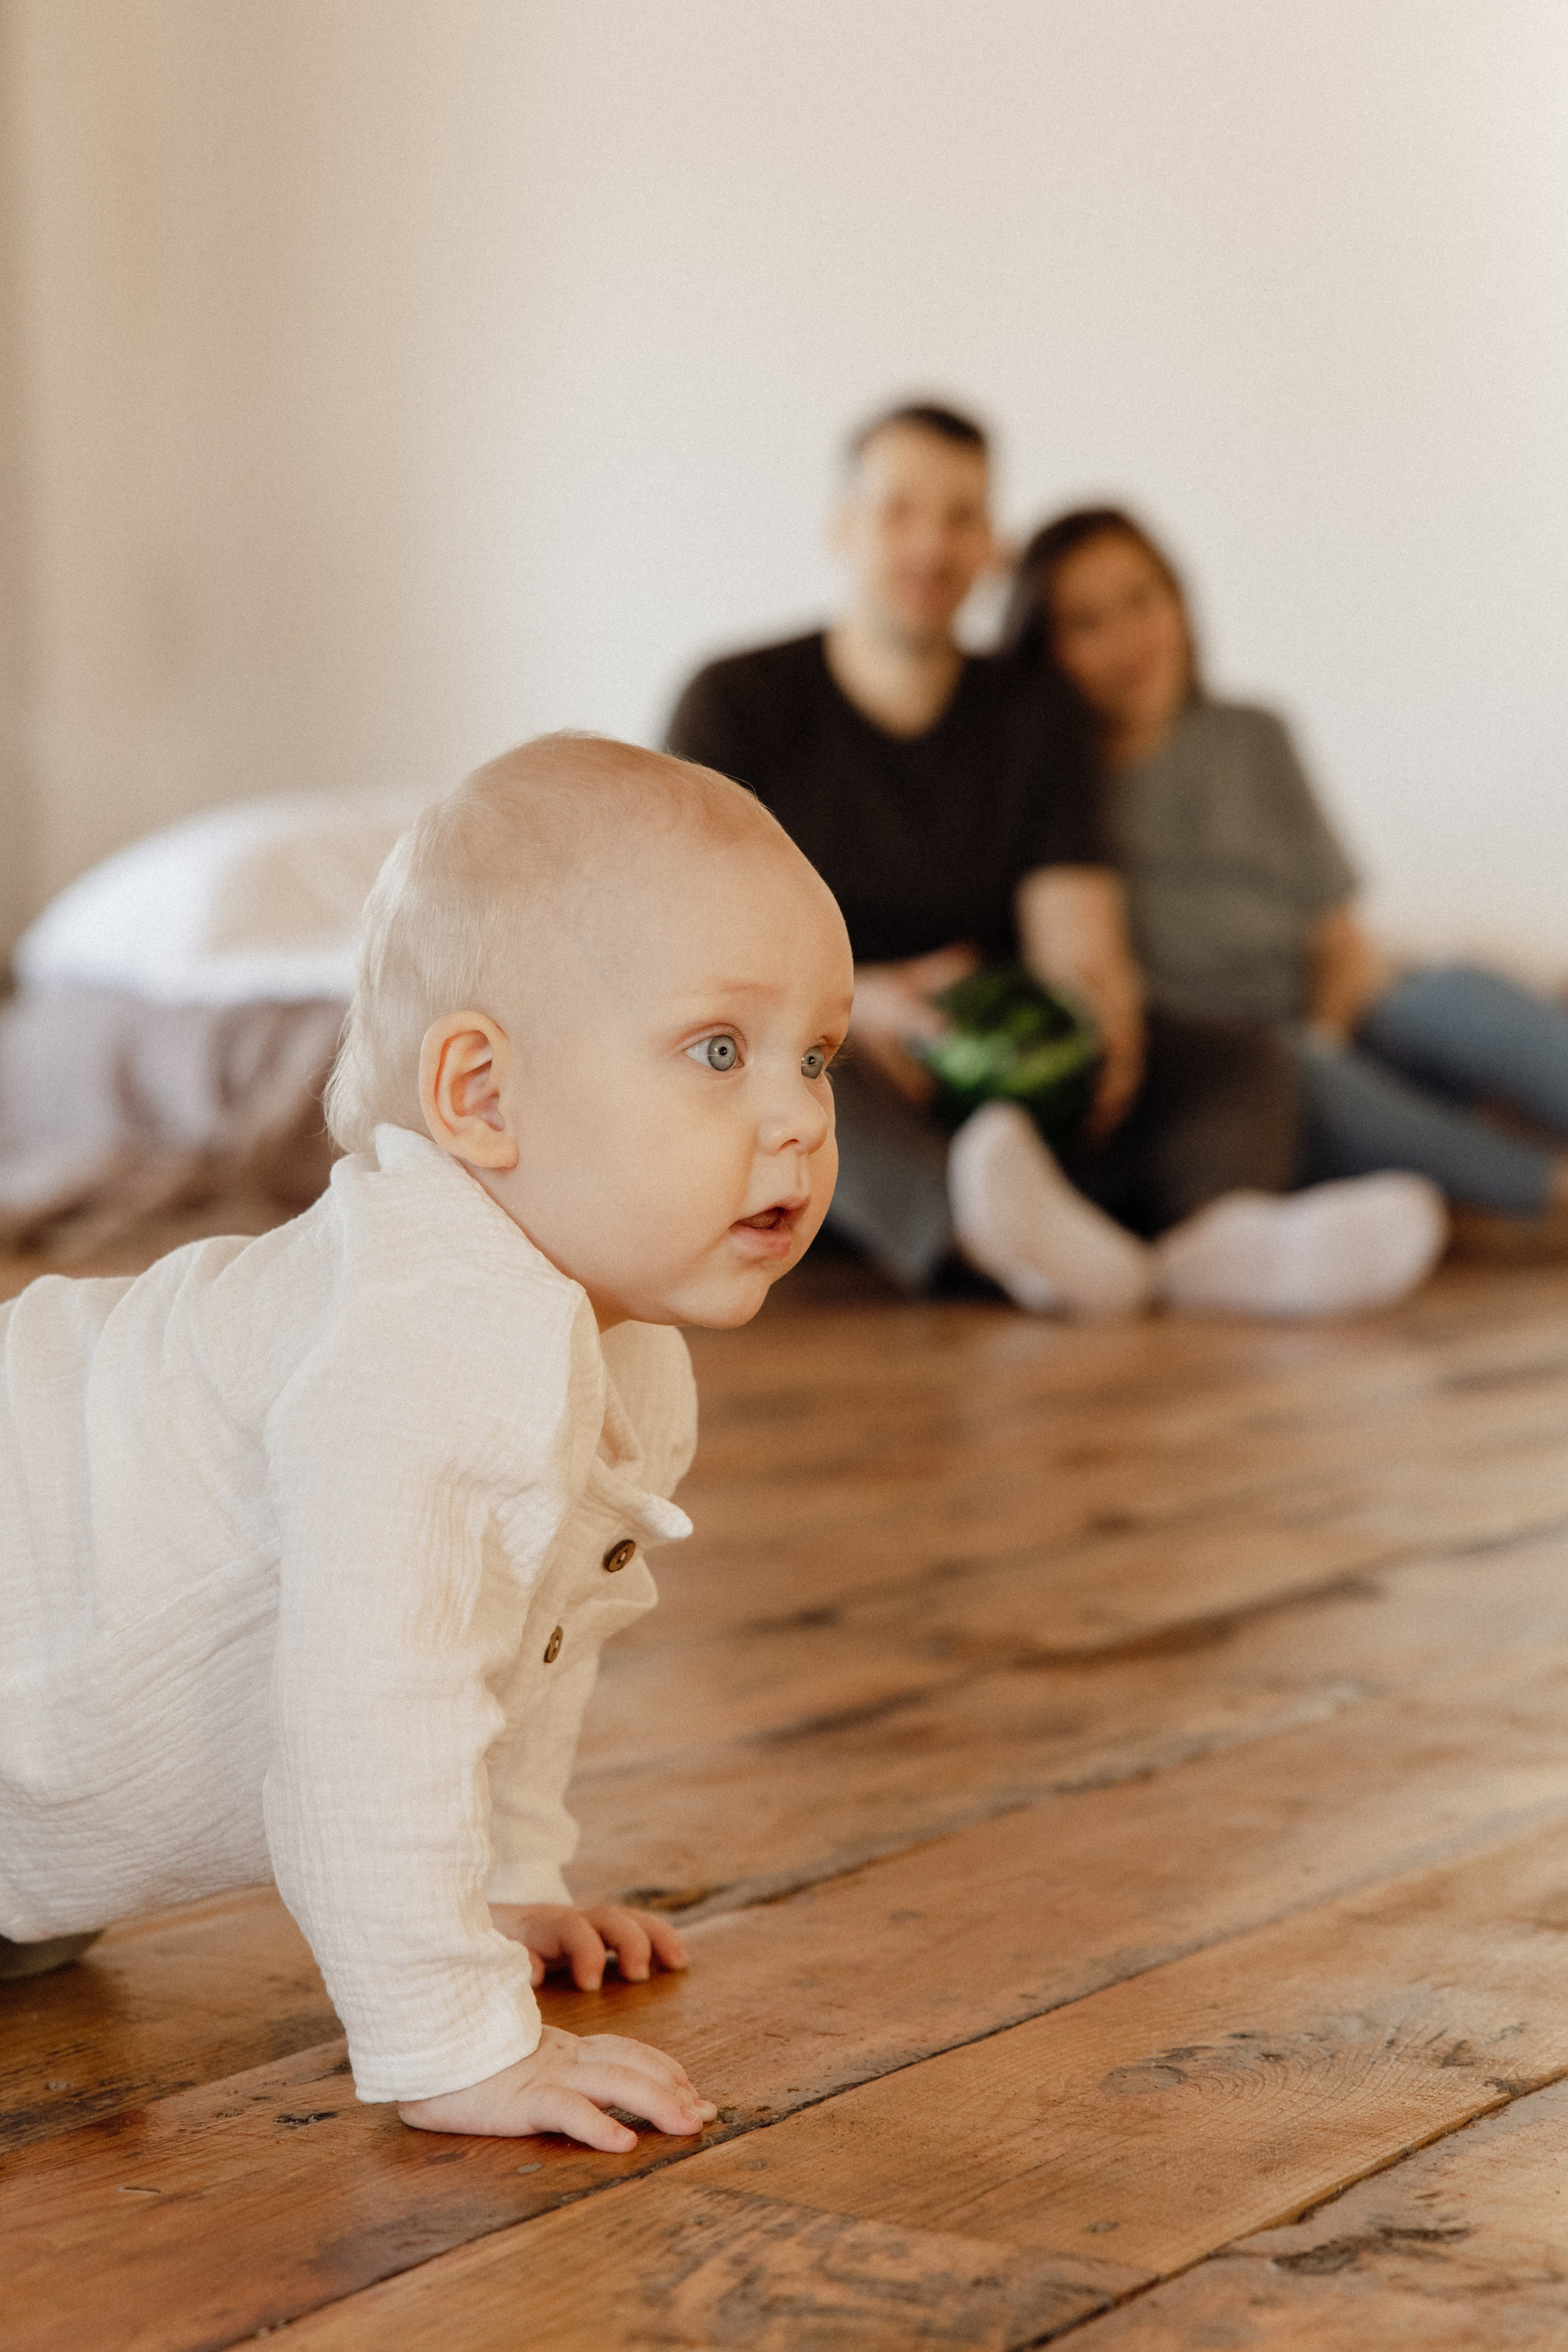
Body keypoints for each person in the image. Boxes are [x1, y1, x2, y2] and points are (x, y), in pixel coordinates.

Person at [0, 734, 855, 2147]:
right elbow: (367, 1704)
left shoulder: (619, 1352)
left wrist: (507, 1877)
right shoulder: (423, 1330)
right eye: (719, 1048)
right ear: (481, 1096)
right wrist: (453, 2034)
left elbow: (526, 1636)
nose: (799, 1116)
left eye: (813, 1055)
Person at [669, 401, 1444, 1319]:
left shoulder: (1032, 713)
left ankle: (1219, 1241)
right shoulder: (737, 701)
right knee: (785, 1066)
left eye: (962, 517)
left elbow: (1075, 926)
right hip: (837, 1056)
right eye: (899, 511)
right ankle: (987, 1239)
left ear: (992, 545)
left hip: (999, 1075)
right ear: (843, 527)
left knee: (1243, 1059)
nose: (931, 545)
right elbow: (694, 947)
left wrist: (1093, 1024)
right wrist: (861, 1006)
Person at [1005, 506, 1568, 1226]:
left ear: (1177, 602)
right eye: (1087, 623)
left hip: (1336, 1024)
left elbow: (1338, 939)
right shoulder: (1057, 791)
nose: (1127, 642)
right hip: (1233, 1076)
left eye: (1141, 601)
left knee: (1446, 991)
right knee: (1294, 1070)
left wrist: (1327, 1033)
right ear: (1047, 648)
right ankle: (1547, 1190)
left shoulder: (1255, 735)